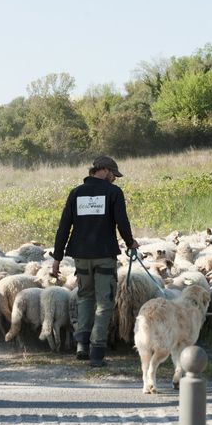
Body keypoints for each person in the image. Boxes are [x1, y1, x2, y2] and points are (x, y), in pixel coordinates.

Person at [51, 156, 139, 367]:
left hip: (80, 256)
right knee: (105, 302)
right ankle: (97, 351)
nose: (115, 179)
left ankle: (82, 344)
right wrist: (130, 242)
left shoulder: (76, 193)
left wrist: (57, 257)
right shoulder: (113, 193)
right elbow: (122, 221)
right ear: (105, 170)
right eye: (114, 175)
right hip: (104, 255)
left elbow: (64, 227)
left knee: (84, 297)